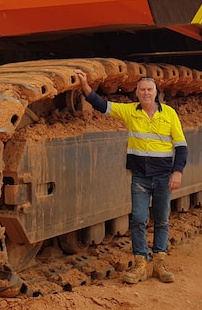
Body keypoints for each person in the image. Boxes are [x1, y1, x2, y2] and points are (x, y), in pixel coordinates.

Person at [75, 70, 187, 284]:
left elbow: (181, 146)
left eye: (150, 89)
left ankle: (159, 263)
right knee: (138, 219)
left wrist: (178, 171)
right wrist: (85, 86)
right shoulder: (129, 112)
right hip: (141, 177)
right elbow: (102, 105)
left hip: (164, 176)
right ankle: (140, 264)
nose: (146, 93)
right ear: (136, 93)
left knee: (162, 220)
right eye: (142, 90)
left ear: (156, 92)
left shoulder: (169, 114)